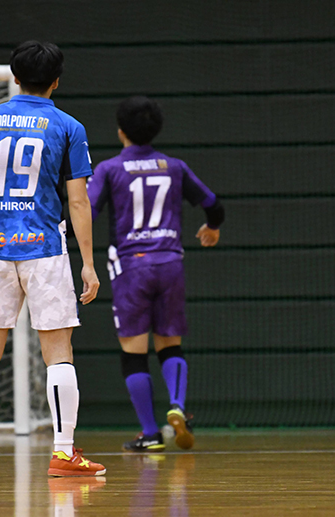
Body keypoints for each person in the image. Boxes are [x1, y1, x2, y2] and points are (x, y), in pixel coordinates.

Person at [0, 41, 105, 477]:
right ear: (56, 80)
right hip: (46, 251)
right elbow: (78, 202)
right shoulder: (68, 127)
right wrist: (88, 263)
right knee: (58, 353)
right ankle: (63, 453)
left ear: (15, 76)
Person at [87, 96, 224, 452]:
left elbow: (86, 213)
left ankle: (150, 434)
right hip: (170, 264)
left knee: (134, 353)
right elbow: (213, 205)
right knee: (170, 345)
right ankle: (177, 405)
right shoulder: (174, 166)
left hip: (132, 268)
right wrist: (212, 227)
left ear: (121, 131)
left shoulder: (109, 169)